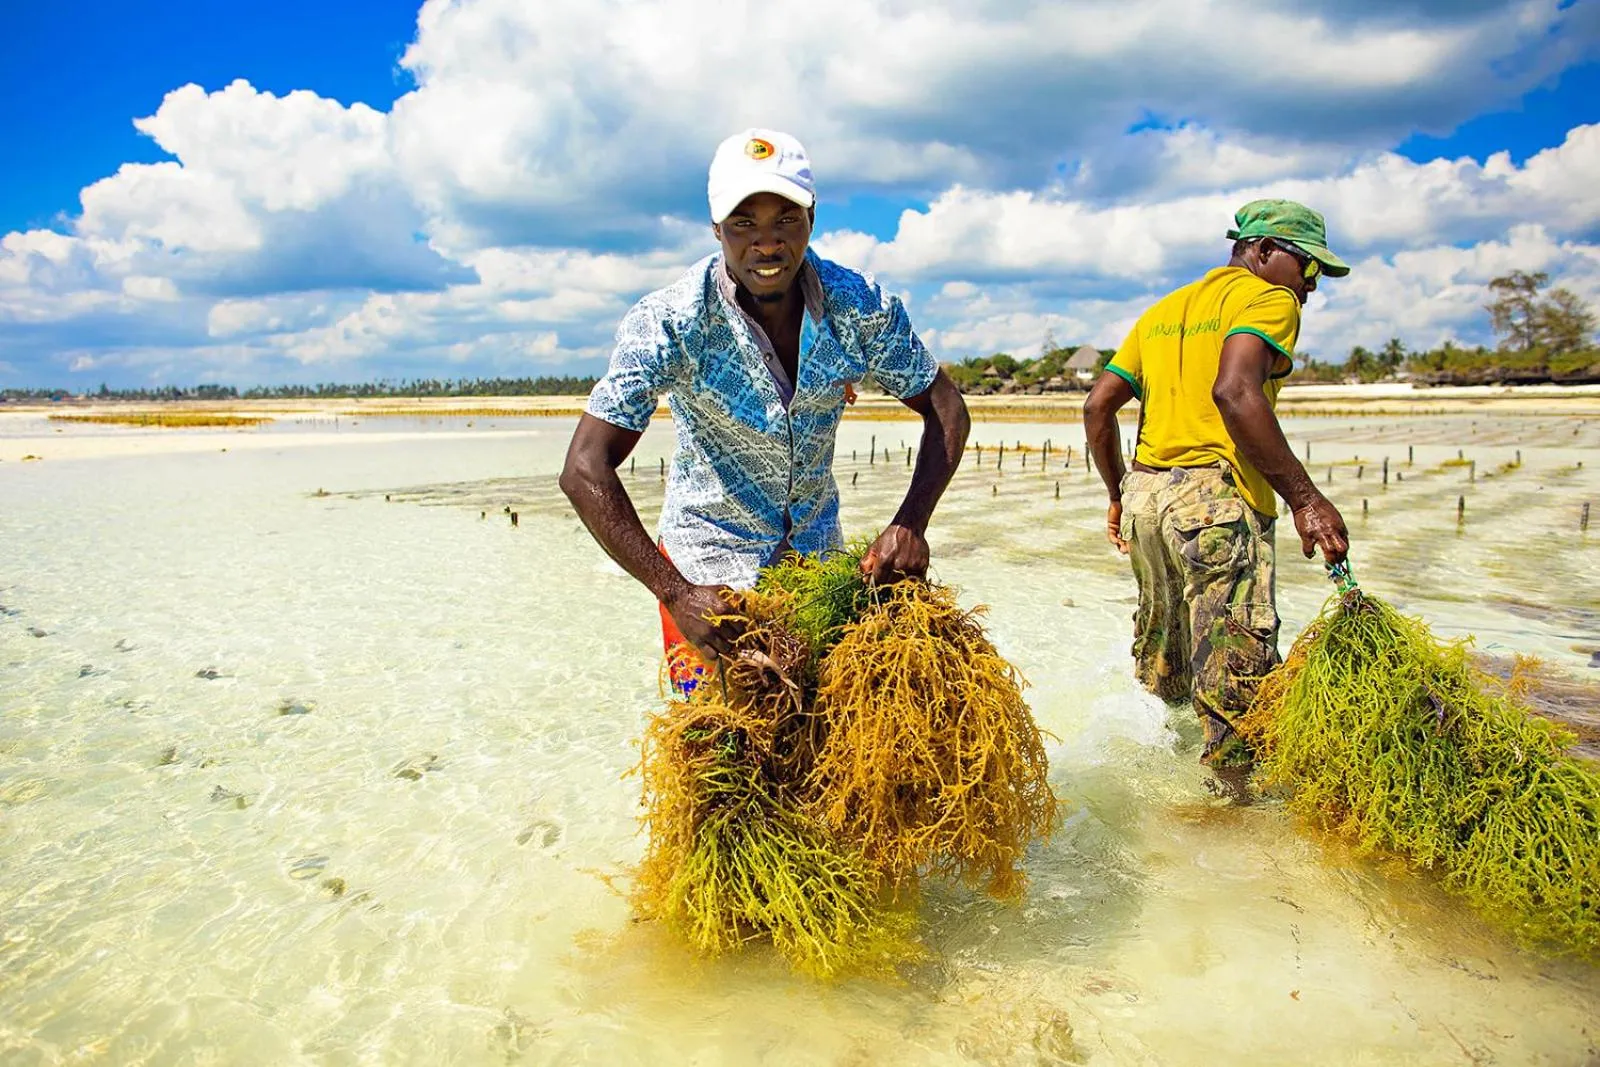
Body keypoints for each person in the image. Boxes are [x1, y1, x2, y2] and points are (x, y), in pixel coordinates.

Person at [561, 128, 970, 694]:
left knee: (822, 740)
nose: (767, 243)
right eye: (743, 224)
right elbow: (584, 467)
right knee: (719, 755)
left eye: (785, 220)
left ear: (812, 218)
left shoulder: (859, 306)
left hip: (816, 564)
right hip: (708, 578)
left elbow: (946, 407)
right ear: (717, 230)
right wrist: (675, 592)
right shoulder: (672, 322)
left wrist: (909, 524)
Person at [1082, 199, 1352, 766]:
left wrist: (1117, 494)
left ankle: (1154, 809)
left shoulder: (1162, 310)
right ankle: (1228, 824)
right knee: (1236, 689)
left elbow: (1097, 407)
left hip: (1148, 502)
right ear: (1264, 251)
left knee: (1164, 675)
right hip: (1215, 506)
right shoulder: (1267, 298)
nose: (1311, 286)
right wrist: (1306, 500)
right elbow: (1234, 391)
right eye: (1309, 268)